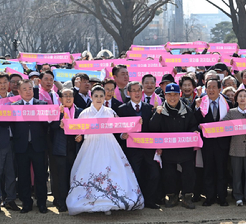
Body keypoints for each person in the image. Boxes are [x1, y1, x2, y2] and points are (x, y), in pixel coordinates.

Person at [66, 86, 144, 215]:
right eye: (96, 96)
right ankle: (92, 201)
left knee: (112, 171)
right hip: (90, 144)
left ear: (105, 97)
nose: (98, 99)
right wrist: (79, 135)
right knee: (91, 172)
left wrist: (134, 124)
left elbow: (120, 126)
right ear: (91, 97)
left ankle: (111, 202)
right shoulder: (84, 113)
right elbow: (78, 129)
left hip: (108, 143)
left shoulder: (110, 112)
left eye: (101, 96)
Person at [149, 83, 199, 209]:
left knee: (189, 173)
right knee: (169, 174)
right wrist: (157, 115)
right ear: (165, 95)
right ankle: (172, 196)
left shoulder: (187, 110)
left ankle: (187, 197)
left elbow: (193, 124)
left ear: (179, 95)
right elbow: (153, 128)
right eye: (169, 95)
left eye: (175, 95)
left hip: (185, 150)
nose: (172, 98)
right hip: (168, 150)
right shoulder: (160, 110)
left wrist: (194, 131)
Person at [117, 81, 161, 209]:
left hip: (148, 149)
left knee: (154, 174)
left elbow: (154, 128)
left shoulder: (149, 108)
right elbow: (117, 129)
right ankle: (135, 200)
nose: (136, 93)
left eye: (138, 90)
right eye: (133, 91)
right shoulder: (122, 109)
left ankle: (150, 200)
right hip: (132, 149)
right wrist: (122, 135)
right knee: (135, 174)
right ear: (128, 93)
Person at [11, 79, 50, 214]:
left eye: (30, 88)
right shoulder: (14, 107)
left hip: (38, 146)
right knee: (23, 176)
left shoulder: (43, 105)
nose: (28, 91)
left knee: (40, 176)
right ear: (19, 92)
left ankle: (42, 203)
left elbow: (47, 126)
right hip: (21, 146)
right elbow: (12, 127)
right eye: (25, 89)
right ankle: (26, 203)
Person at [195, 79, 233, 207]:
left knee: (222, 171)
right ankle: (209, 197)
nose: (211, 90)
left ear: (220, 89)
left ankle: (222, 197)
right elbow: (194, 121)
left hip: (222, 143)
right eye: (208, 87)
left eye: (213, 87)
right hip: (207, 144)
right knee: (208, 171)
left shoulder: (227, 103)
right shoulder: (201, 103)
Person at [0, 72, 20, 213]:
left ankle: (10, 199)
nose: (3, 85)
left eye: (5, 82)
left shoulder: (15, 100)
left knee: (11, 172)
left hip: (14, 141)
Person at [221, 89, 246, 207]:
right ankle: (238, 196)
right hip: (236, 147)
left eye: (245, 96)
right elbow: (221, 125)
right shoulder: (231, 112)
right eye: (240, 96)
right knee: (236, 174)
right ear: (236, 99)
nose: (242, 98)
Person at [50, 88, 83, 212]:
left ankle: (74, 200)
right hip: (60, 149)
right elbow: (49, 128)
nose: (68, 98)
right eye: (65, 95)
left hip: (75, 148)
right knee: (61, 176)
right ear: (60, 98)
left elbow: (85, 128)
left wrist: (82, 136)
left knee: (74, 175)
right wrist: (58, 124)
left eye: (71, 95)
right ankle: (62, 201)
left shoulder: (80, 112)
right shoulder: (56, 112)